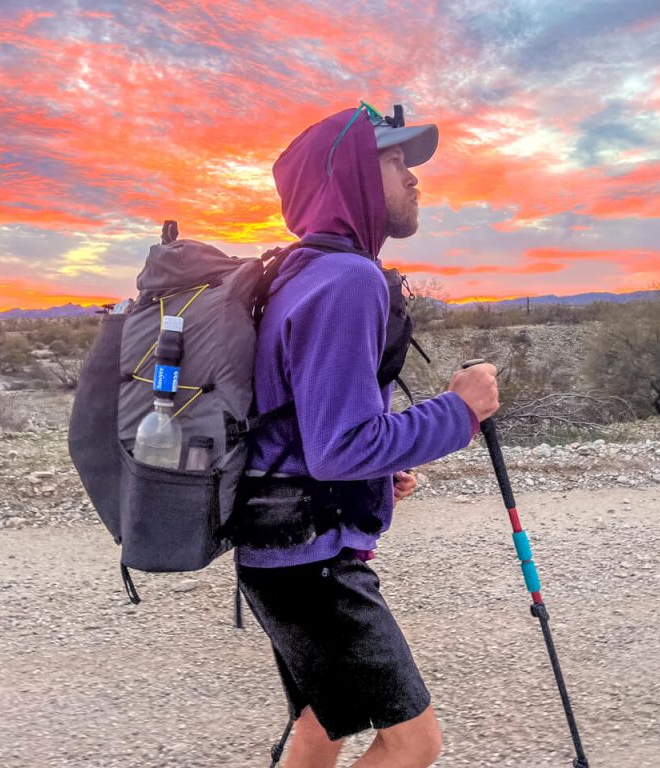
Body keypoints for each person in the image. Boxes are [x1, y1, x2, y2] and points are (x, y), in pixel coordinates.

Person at [235, 102, 500, 768]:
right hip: (310, 560)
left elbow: (306, 429)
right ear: (349, 174)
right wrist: (460, 411)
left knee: (324, 725)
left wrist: (377, 478)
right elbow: (341, 444)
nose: (412, 178)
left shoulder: (297, 271)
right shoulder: (348, 279)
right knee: (413, 743)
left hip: (276, 548)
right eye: (392, 161)